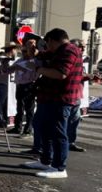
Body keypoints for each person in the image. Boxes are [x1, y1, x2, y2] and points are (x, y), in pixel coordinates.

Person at [21, 28, 83, 179]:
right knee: (44, 129)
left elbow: (61, 73)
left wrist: (38, 69)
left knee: (58, 133)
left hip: (60, 98)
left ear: (53, 41)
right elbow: (40, 55)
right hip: (48, 98)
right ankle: (46, 161)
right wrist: (31, 49)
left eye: (47, 43)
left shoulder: (69, 50)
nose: (47, 47)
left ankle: (59, 168)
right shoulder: (58, 51)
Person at [8, 44, 38, 135]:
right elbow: (11, 69)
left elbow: (31, 71)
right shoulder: (20, 60)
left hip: (29, 85)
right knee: (19, 107)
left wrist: (20, 67)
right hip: (20, 85)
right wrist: (8, 67)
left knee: (29, 109)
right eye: (22, 51)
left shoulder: (33, 61)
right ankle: (18, 127)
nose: (24, 53)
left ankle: (28, 129)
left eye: (25, 51)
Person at [0, 42, 16, 126]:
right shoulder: (0, 59)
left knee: (9, 103)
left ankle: (6, 119)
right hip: (3, 83)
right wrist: (3, 65)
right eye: (14, 49)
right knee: (1, 102)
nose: (15, 51)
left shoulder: (15, 59)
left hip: (12, 84)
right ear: (11, 50)